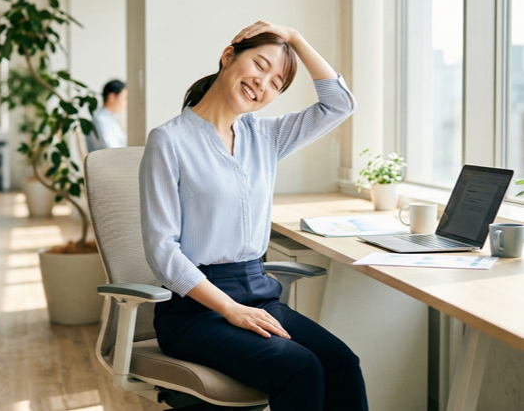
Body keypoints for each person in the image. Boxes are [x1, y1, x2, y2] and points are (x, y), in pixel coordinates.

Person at [139, 20, 368, 411]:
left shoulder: (265, 137)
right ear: (228, 56)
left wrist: (295, 37)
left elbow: (340, 104)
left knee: (342, 363)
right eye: (260, 65)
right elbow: (162, 252)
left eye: (276, 83)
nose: (263, 83)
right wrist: (230, 309)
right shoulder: (169, 140)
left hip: (260, 295)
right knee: (299, 368)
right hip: (194, 310)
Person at [86, 79, 127, 152]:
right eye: (124, 98)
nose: (126, 103)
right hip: (108, 158)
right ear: (111, 97)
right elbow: (111, 150)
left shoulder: (111, 119)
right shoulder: (100, 120)